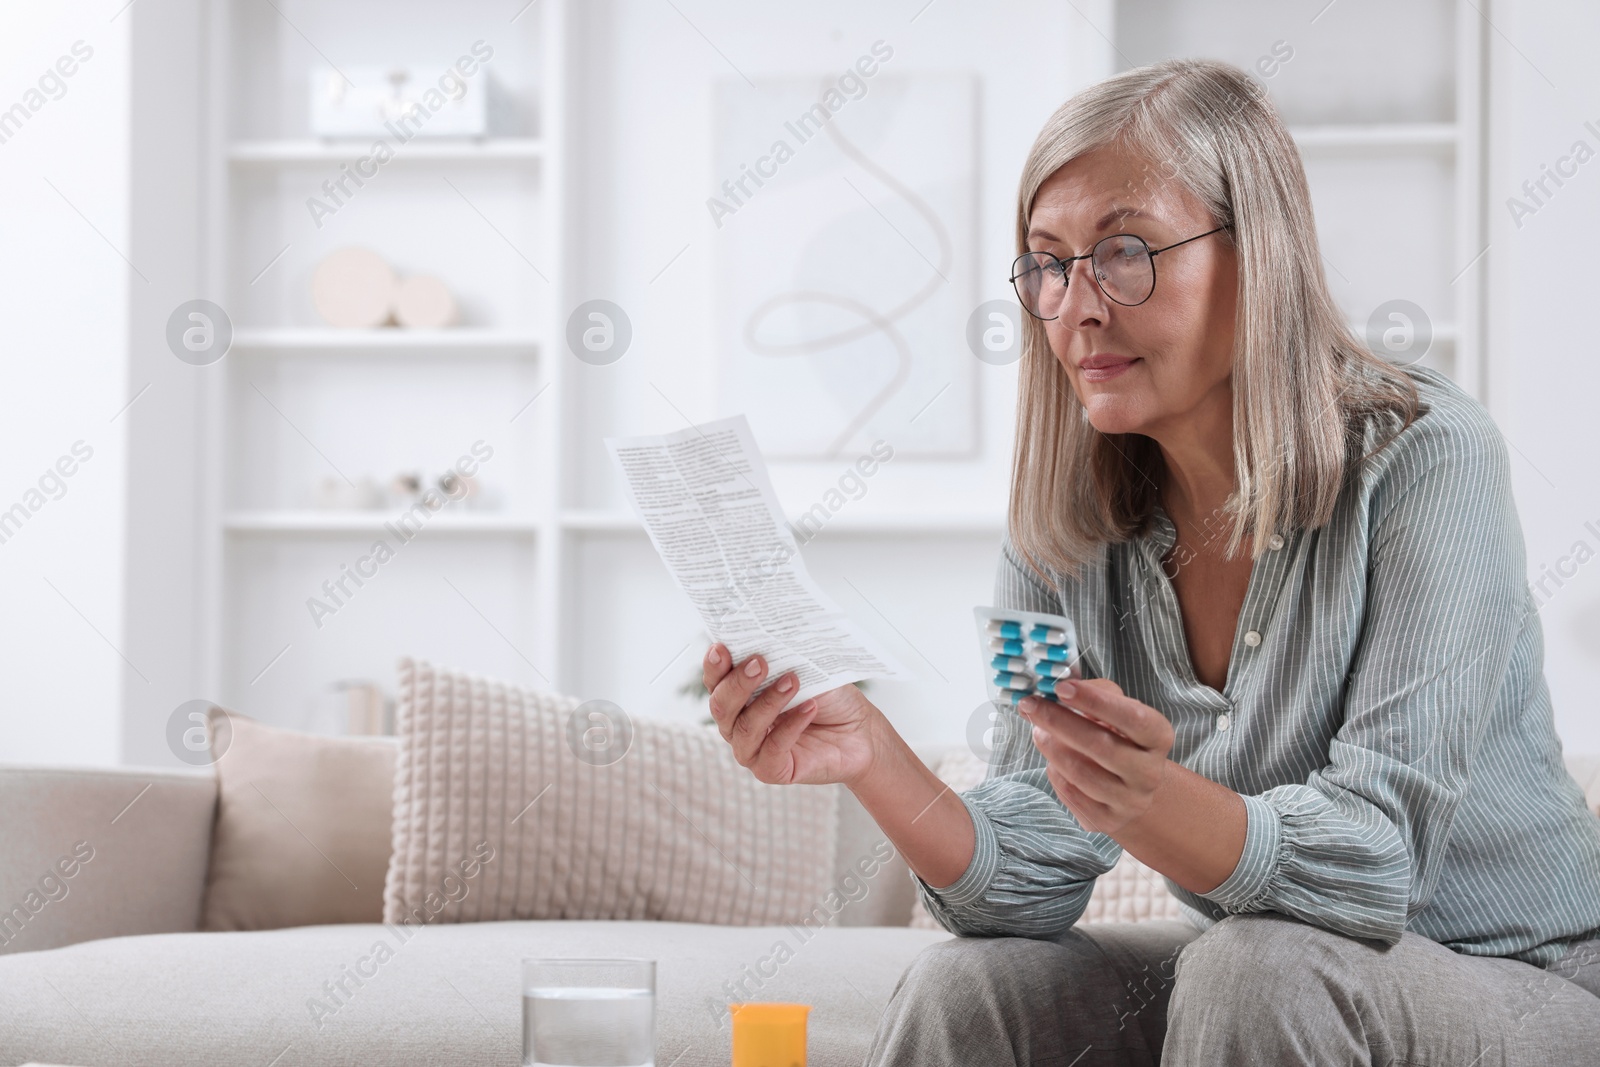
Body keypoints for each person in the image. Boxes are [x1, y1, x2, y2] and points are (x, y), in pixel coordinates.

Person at [701, 57, 1600, 1064]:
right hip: (1272, 967)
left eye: (1123, 252)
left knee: (1254, 966)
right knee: (975, 987)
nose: (1075, 305)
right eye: (1046, 262)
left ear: (1253, 255)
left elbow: (1375, 863)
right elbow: (1027, 872)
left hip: (1522, 980)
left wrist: (1147, 794)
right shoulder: (1058, 522)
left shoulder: (1428, 458)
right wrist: (868, 749)